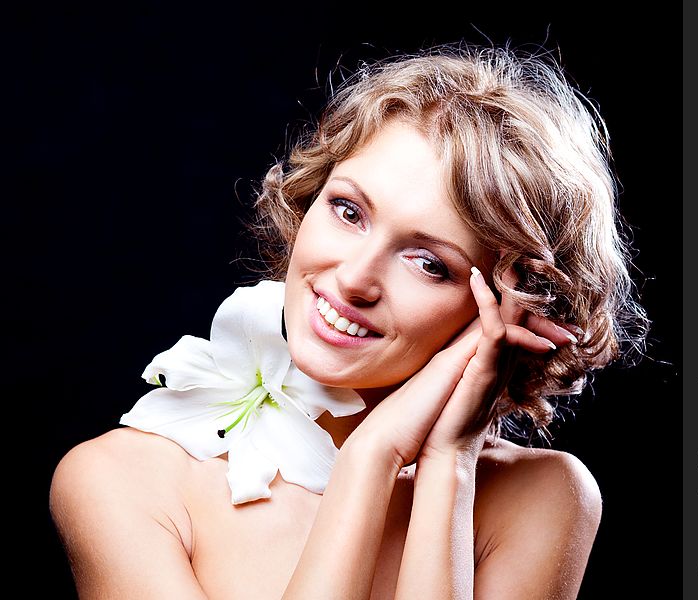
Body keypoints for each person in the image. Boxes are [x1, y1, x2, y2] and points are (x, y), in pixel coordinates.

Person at [49, 43, 647, 599]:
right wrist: (371, 457)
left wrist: (446, 462)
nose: (355, 278)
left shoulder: (541, 497)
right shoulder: (122, 481)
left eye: (429, 263)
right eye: (348, 210)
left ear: (512, 306)